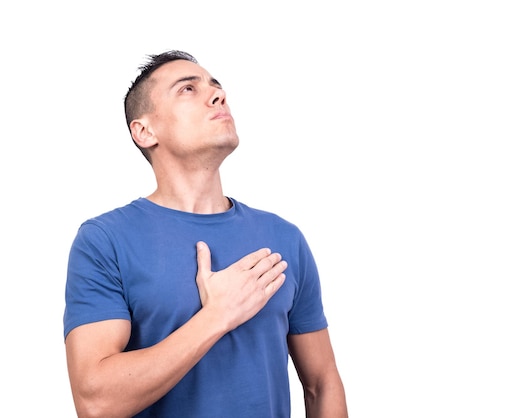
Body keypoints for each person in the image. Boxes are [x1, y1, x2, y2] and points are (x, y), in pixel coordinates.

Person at [63, 50, 348, 418]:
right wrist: (217, 316)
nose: (218, 95)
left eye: (216, 87)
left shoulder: (284, 238)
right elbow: (96, 403)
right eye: (187, 89)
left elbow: (321, 383)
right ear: (145, 131)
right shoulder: (104, 241)